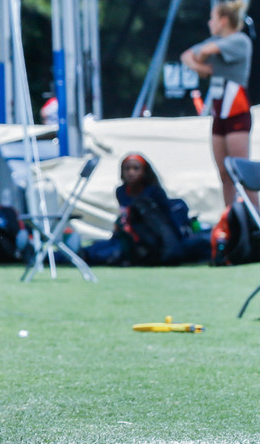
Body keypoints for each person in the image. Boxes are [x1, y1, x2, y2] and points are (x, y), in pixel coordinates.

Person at [181, 1, 253, 210]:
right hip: (219, 113)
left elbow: (205, 51)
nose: (209, 23)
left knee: (241, 172)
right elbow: (187, 56)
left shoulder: (239, 41)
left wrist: (201, 60)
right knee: (223, 172)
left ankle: (254, 218)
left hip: (236, 112)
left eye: (213, 18)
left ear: (223, 21)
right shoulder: (215, 41)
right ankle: (230, 216)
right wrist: (199, 67)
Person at [81, 153, 208, 266]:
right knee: (96, 249)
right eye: (127, 169)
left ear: (144, 171)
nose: (131, 172)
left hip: (152, 240)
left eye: (136, 169)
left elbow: (167, 220)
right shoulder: (121, 191)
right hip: (127, 236)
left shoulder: (153, 191)